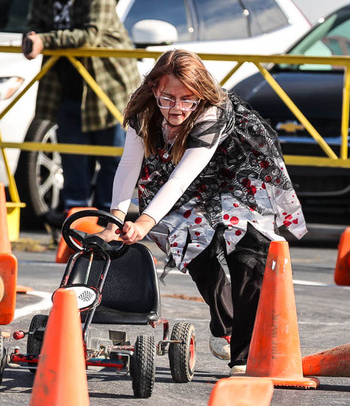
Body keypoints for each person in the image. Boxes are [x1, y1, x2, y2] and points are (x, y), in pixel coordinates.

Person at [97, 49, 307, 375]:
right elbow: (128, 167)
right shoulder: (143, 112)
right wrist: (114, 220)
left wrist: (144, 220)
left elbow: (182, 178)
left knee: (246, 251)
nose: (178, 108)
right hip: (184, 174)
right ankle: (227, 323)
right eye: (168, 98)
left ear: (200, 96)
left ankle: (244, 357)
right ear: (154, 88)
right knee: (193, 243)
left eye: (187, 99)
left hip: (238, 172)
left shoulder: (213, 113)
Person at [22, 0, 141, 227]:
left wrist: (43, 41)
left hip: (108, 88)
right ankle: (76, 217)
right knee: (72, 157)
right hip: (66, 87)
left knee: (114, 158)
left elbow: (90, 35)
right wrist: (30, 38)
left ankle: (108, 219)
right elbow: (33, 25)